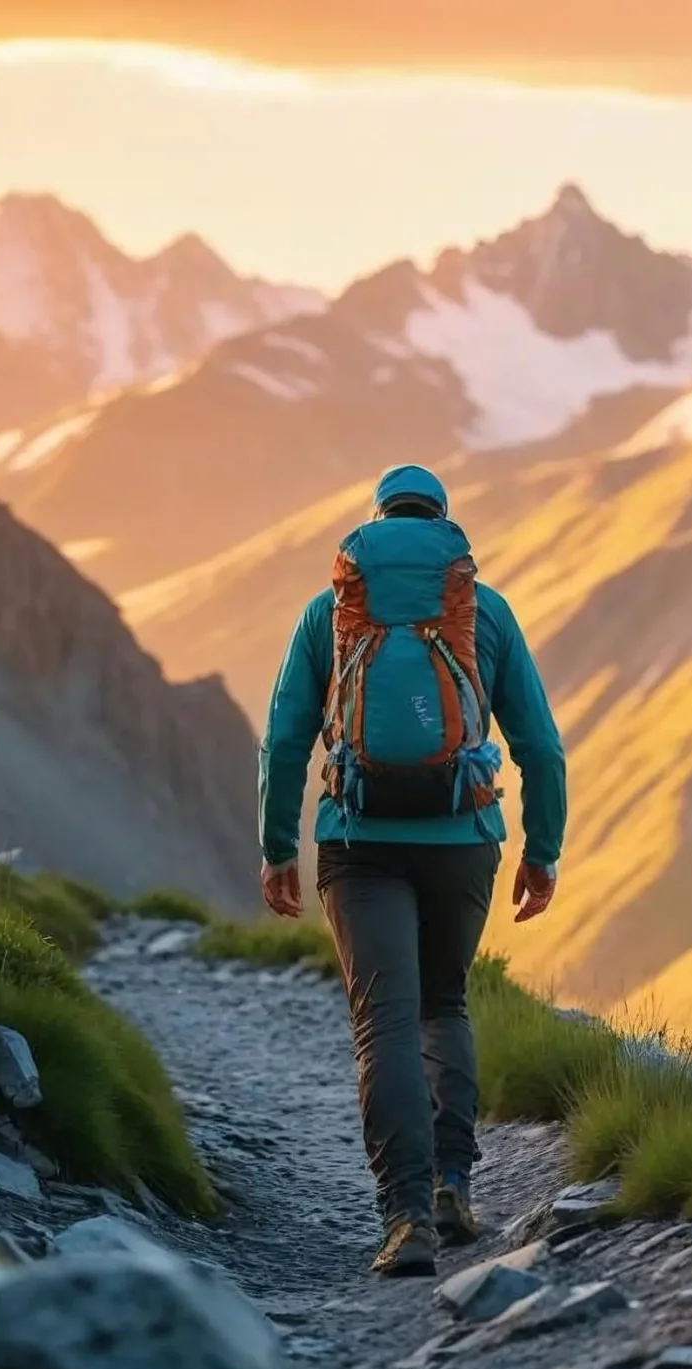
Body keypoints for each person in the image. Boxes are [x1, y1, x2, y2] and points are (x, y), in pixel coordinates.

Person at [257, 463, 567, 1277]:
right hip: (463, 837)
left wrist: (275, 846)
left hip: (357, 840)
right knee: (444, 1001)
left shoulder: (333, 612)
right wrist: (543, 850)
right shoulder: (481, 611)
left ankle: (404, 1218)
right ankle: (453, 1186)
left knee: (383, 1023)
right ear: (443, 528)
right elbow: (540, 744)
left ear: (374, 526)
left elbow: (285, 739)